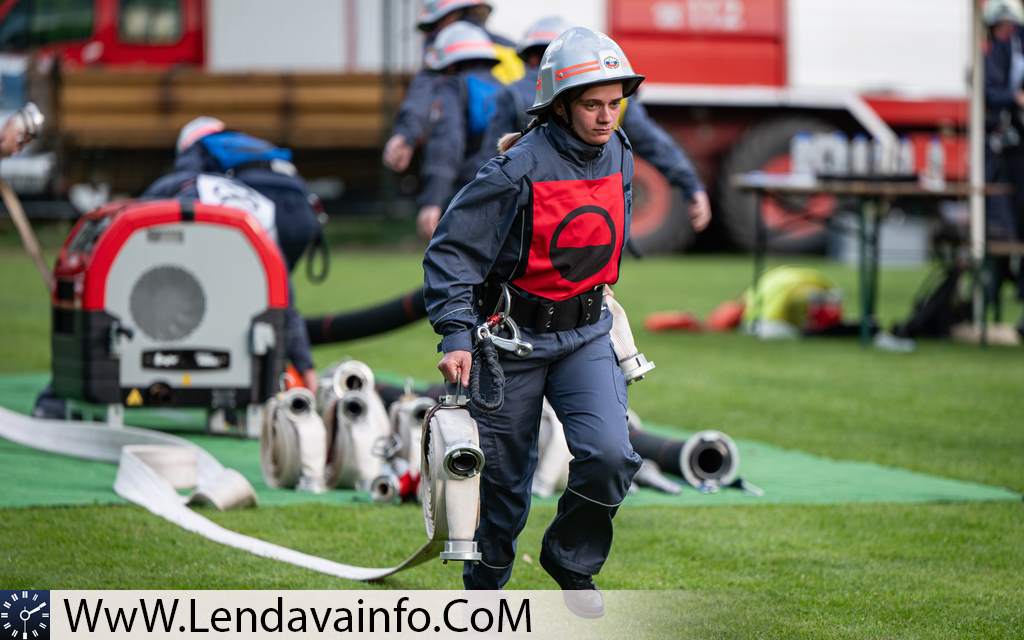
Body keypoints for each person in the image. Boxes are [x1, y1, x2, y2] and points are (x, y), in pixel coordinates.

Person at [423, 27, 645, 616]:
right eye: (592, 105)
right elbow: (451, 253)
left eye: (614, 103)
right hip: (510, 343)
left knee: (610, 456)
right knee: (502, 485)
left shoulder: (621, 150)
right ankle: (485, 595)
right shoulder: (514, 168)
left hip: (587, 334)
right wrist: (456, 334)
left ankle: (571, 562)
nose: (606, 117)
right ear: (560, 104)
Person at [474, 16, 711, 240]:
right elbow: (656, 145)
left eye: (612, 105)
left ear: (531, 59)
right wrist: (692, 186)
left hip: (525, 231)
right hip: (589, 227)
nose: (605, 115)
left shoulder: (509, 95)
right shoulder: (612, 94)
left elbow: (488, 166)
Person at [142, 117, 322, 391]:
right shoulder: (249, 144)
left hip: (253, 215)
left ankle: (244, 368)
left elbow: (180, 184)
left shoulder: (199, 154)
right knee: (275, 290)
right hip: (300, 213)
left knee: (253, 293)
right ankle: (300, 373)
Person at [382, 0, 521, 173]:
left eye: (435, 25)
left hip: (465, 165)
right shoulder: (514, 50)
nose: (432, 34)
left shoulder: (449, 54)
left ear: (453, 15)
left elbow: (423, 96)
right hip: (514, 164)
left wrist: (406, 134)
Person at [414, 21, 505, 239]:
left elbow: (447, 144)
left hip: (465, 194)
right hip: (503, 193)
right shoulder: (504, 91)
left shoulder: (452, 87)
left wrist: (433, 200)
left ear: (449, 65)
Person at [983, 0, 1024, 334]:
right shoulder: (996, 53)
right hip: (1007, 151)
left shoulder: (1015, 45)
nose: (1005, 32)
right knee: (1003, 222)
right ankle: (999, 287)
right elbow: (990, 92)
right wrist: (1013, 98)